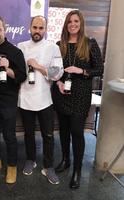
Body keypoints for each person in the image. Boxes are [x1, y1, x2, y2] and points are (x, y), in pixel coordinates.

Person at [51, 10, 104, 189]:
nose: (72, 24)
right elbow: (54, 70)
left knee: (76, 131)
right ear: (66, 25)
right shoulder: (59, 45)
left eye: (75, 21)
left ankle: (77, 170)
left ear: (80, 23)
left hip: (81, 95)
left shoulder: (90, 44)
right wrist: (57, 81)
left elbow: (99, 69)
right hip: (62, 93)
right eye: (69, 22)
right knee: (64, 130)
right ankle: (65, 160)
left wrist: (81, 71)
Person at [17, 16, 63, 185]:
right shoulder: (21, 47)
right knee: (28, 133)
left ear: (45, 29)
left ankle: (48, 166)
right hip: (25, 98)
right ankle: (30, 159)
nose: (37, 31)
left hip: (45, 99)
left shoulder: (53, 48)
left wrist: (38, 66)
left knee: (48, 135)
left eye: (41, 28)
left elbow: (58, 73)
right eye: (35, 27)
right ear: (29, 28)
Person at [0, 16, 26, 184]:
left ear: (4, 30)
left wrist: (8, 69)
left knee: (9, 136)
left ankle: (12, 167)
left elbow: (21, 76)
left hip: (7, 101)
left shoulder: (15, 52)